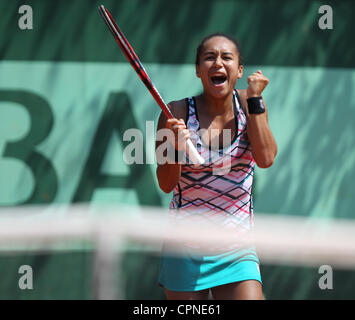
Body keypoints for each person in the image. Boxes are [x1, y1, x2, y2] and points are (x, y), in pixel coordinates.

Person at [155, 33, 277, 300]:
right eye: (209, 57)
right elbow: (165, 184)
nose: (218, 63)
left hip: (237, 249)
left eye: (226, 57)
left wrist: (255, 98)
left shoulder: (250, 104)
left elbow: (266, 158)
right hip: (183, 247)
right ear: (198, 70)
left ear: (239, 70)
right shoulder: (175, 112)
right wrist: (176, 147)